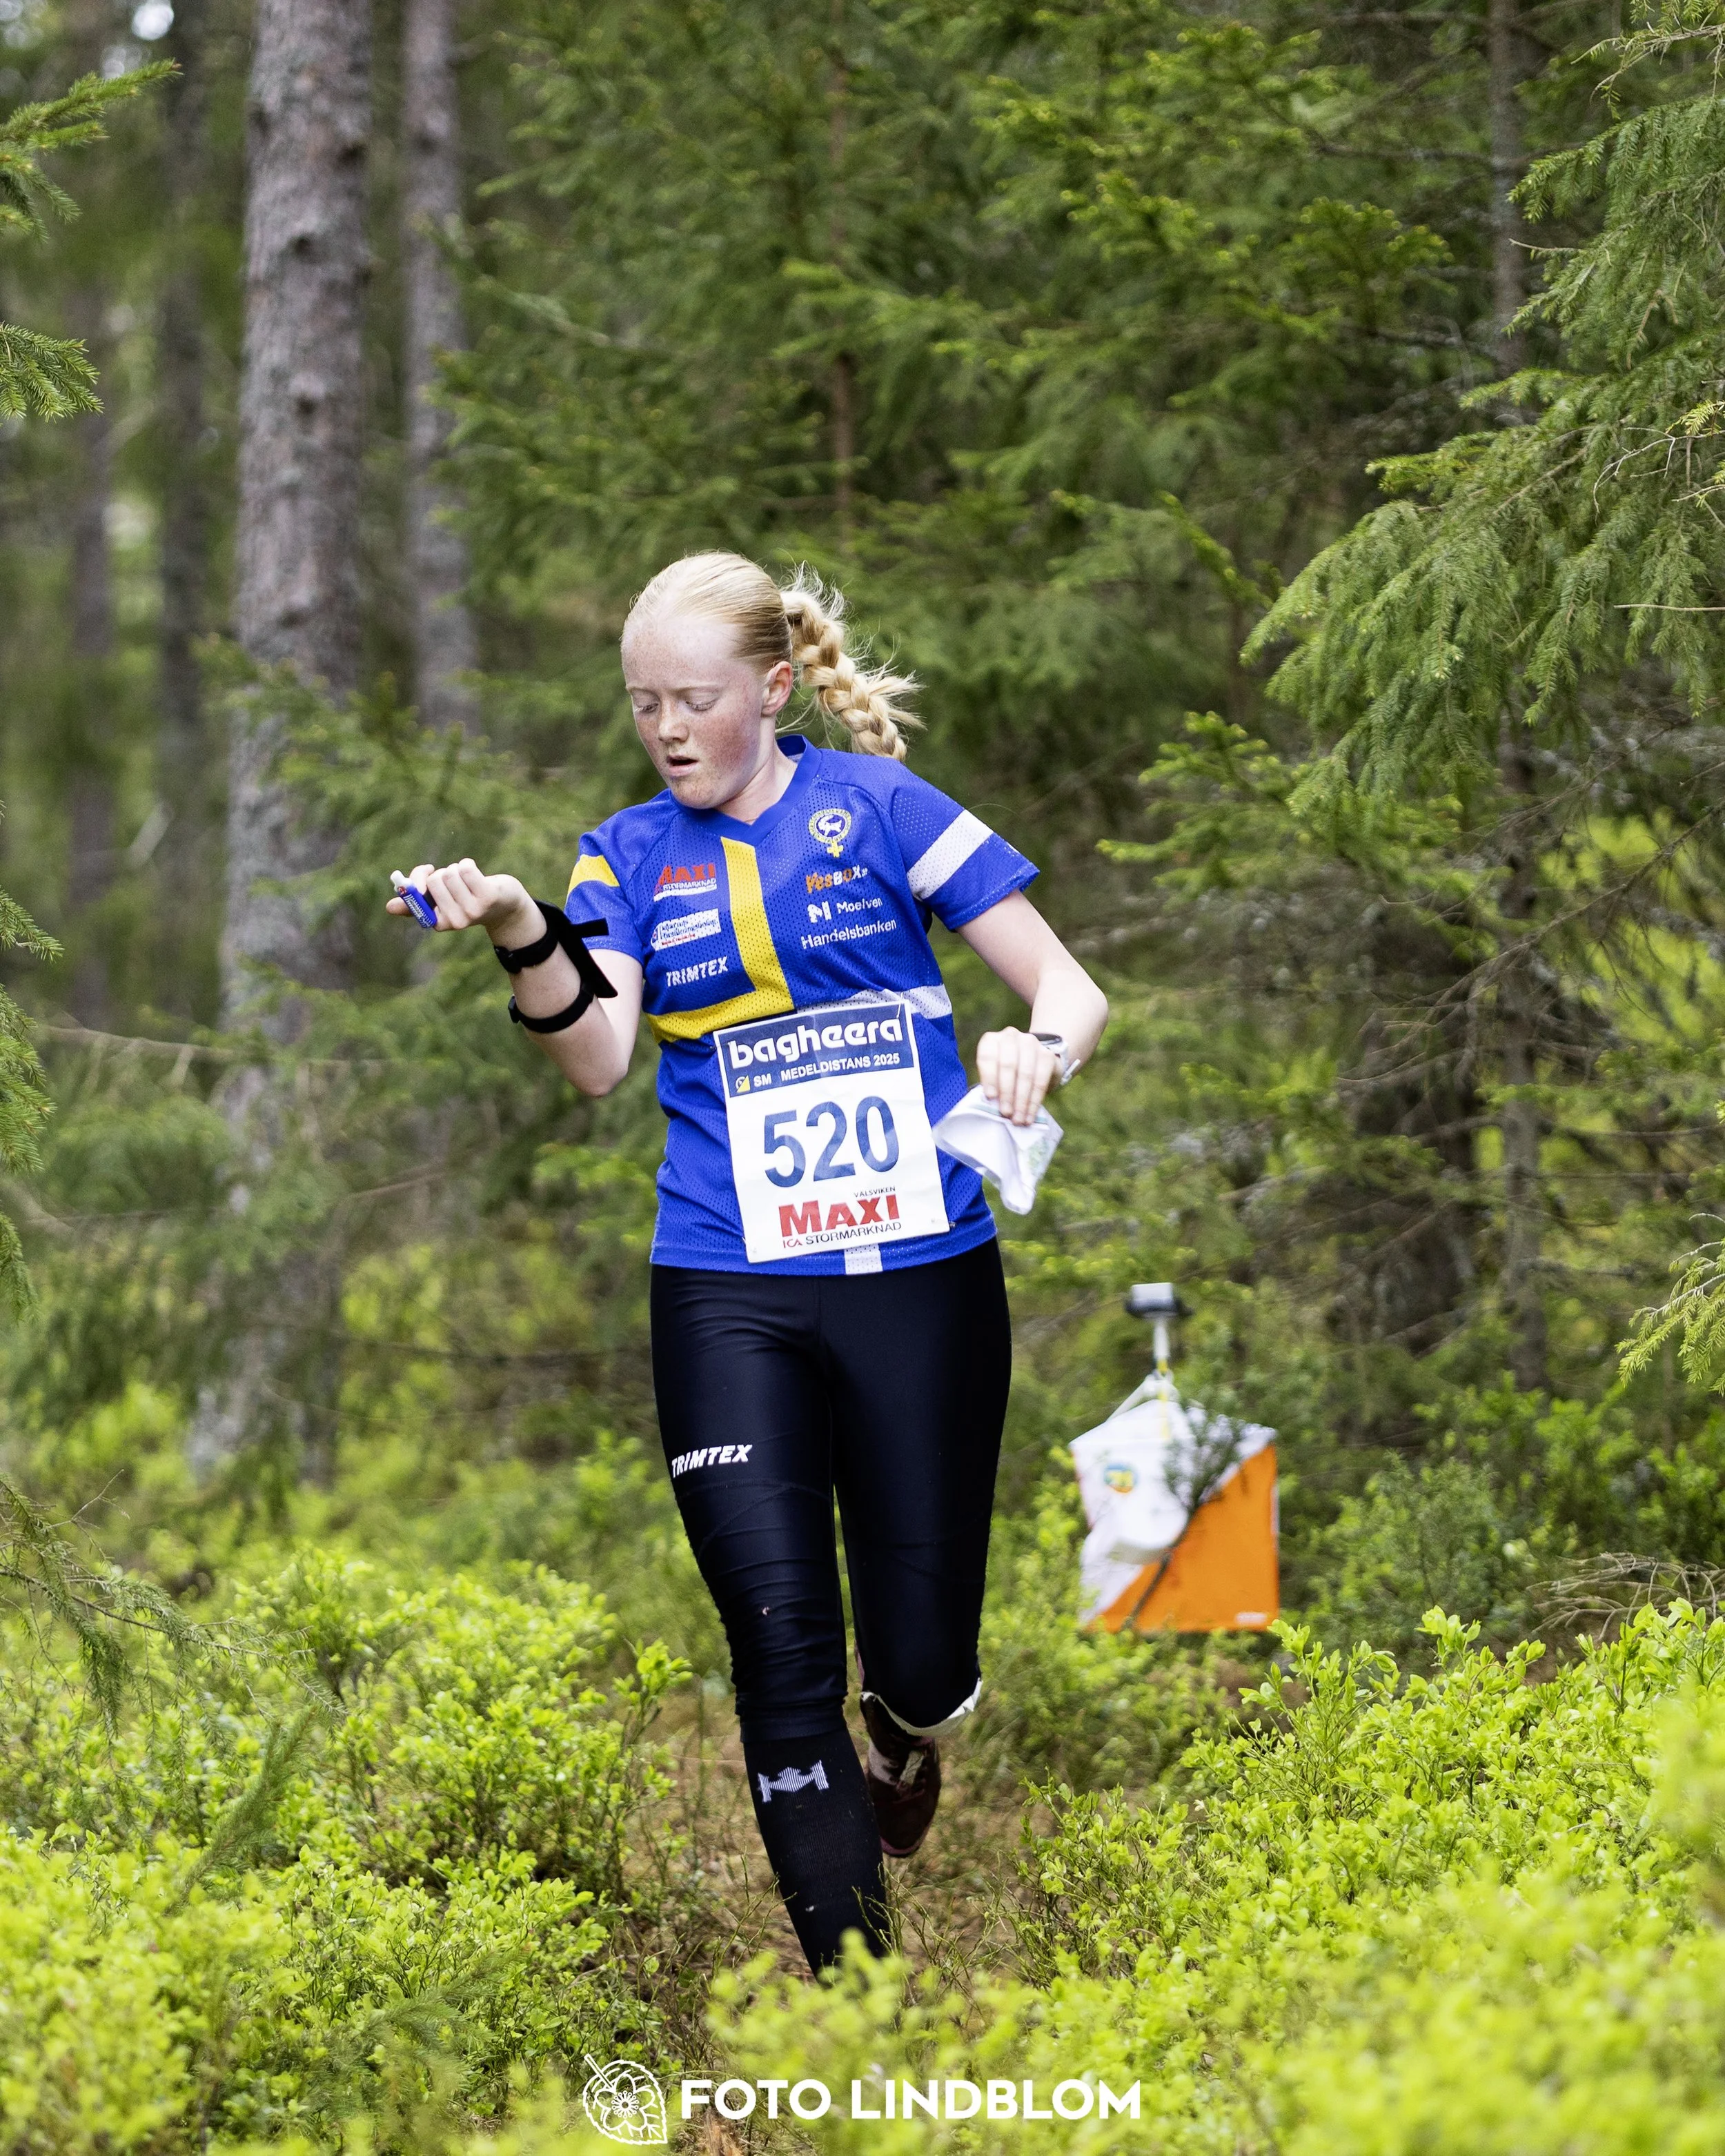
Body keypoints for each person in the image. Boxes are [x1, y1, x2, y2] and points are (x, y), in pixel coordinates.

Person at [388, 553, 1107, 1975]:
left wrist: (1036, 1049)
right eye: (642, 701)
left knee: (916, 1655)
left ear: (772, 691)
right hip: (726, 1283)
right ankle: (857, 2014)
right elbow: (594, 1054)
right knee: (778, 1639)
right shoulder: (626, 855)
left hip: (917, 1275)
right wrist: (523, 926)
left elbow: (1069, 985)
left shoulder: (879, 806)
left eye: (694, 698)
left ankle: (904, 1730)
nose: (665, 727)